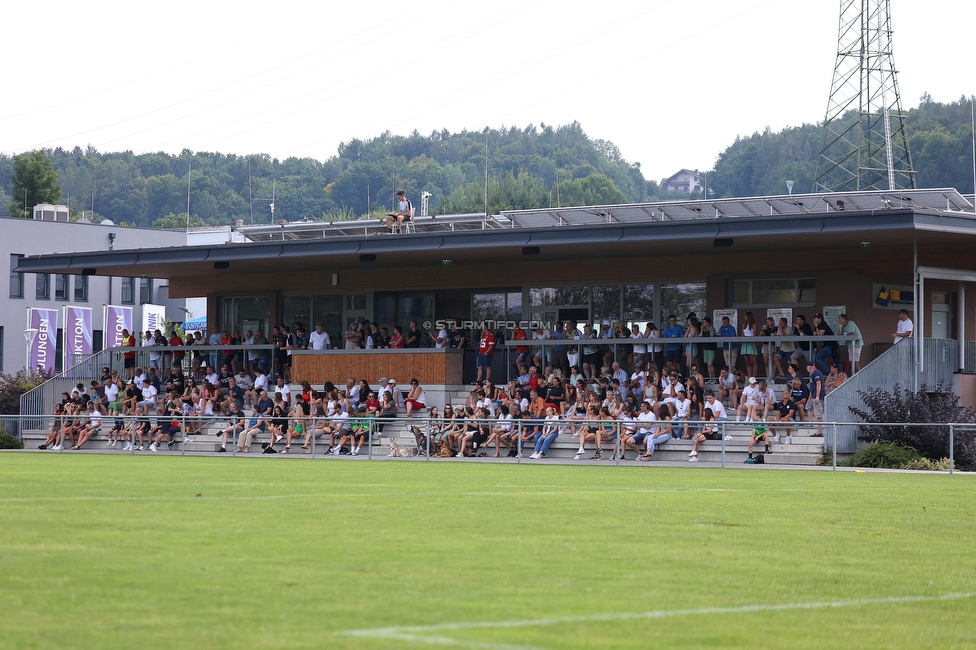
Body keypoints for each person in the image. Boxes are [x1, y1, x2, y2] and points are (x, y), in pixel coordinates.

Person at [806, 361, 825, 436]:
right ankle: (810, 423)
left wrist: (817, 396)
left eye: (807, 366)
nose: (806, 368)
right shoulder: (812, 374)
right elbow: (812, 388)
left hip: (817, 396)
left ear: (810, 367)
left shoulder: (816, 373)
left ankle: (819, 431)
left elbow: (818, 384)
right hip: (813, 395)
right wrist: (809, 398)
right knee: (809, 407)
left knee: (818, 414)